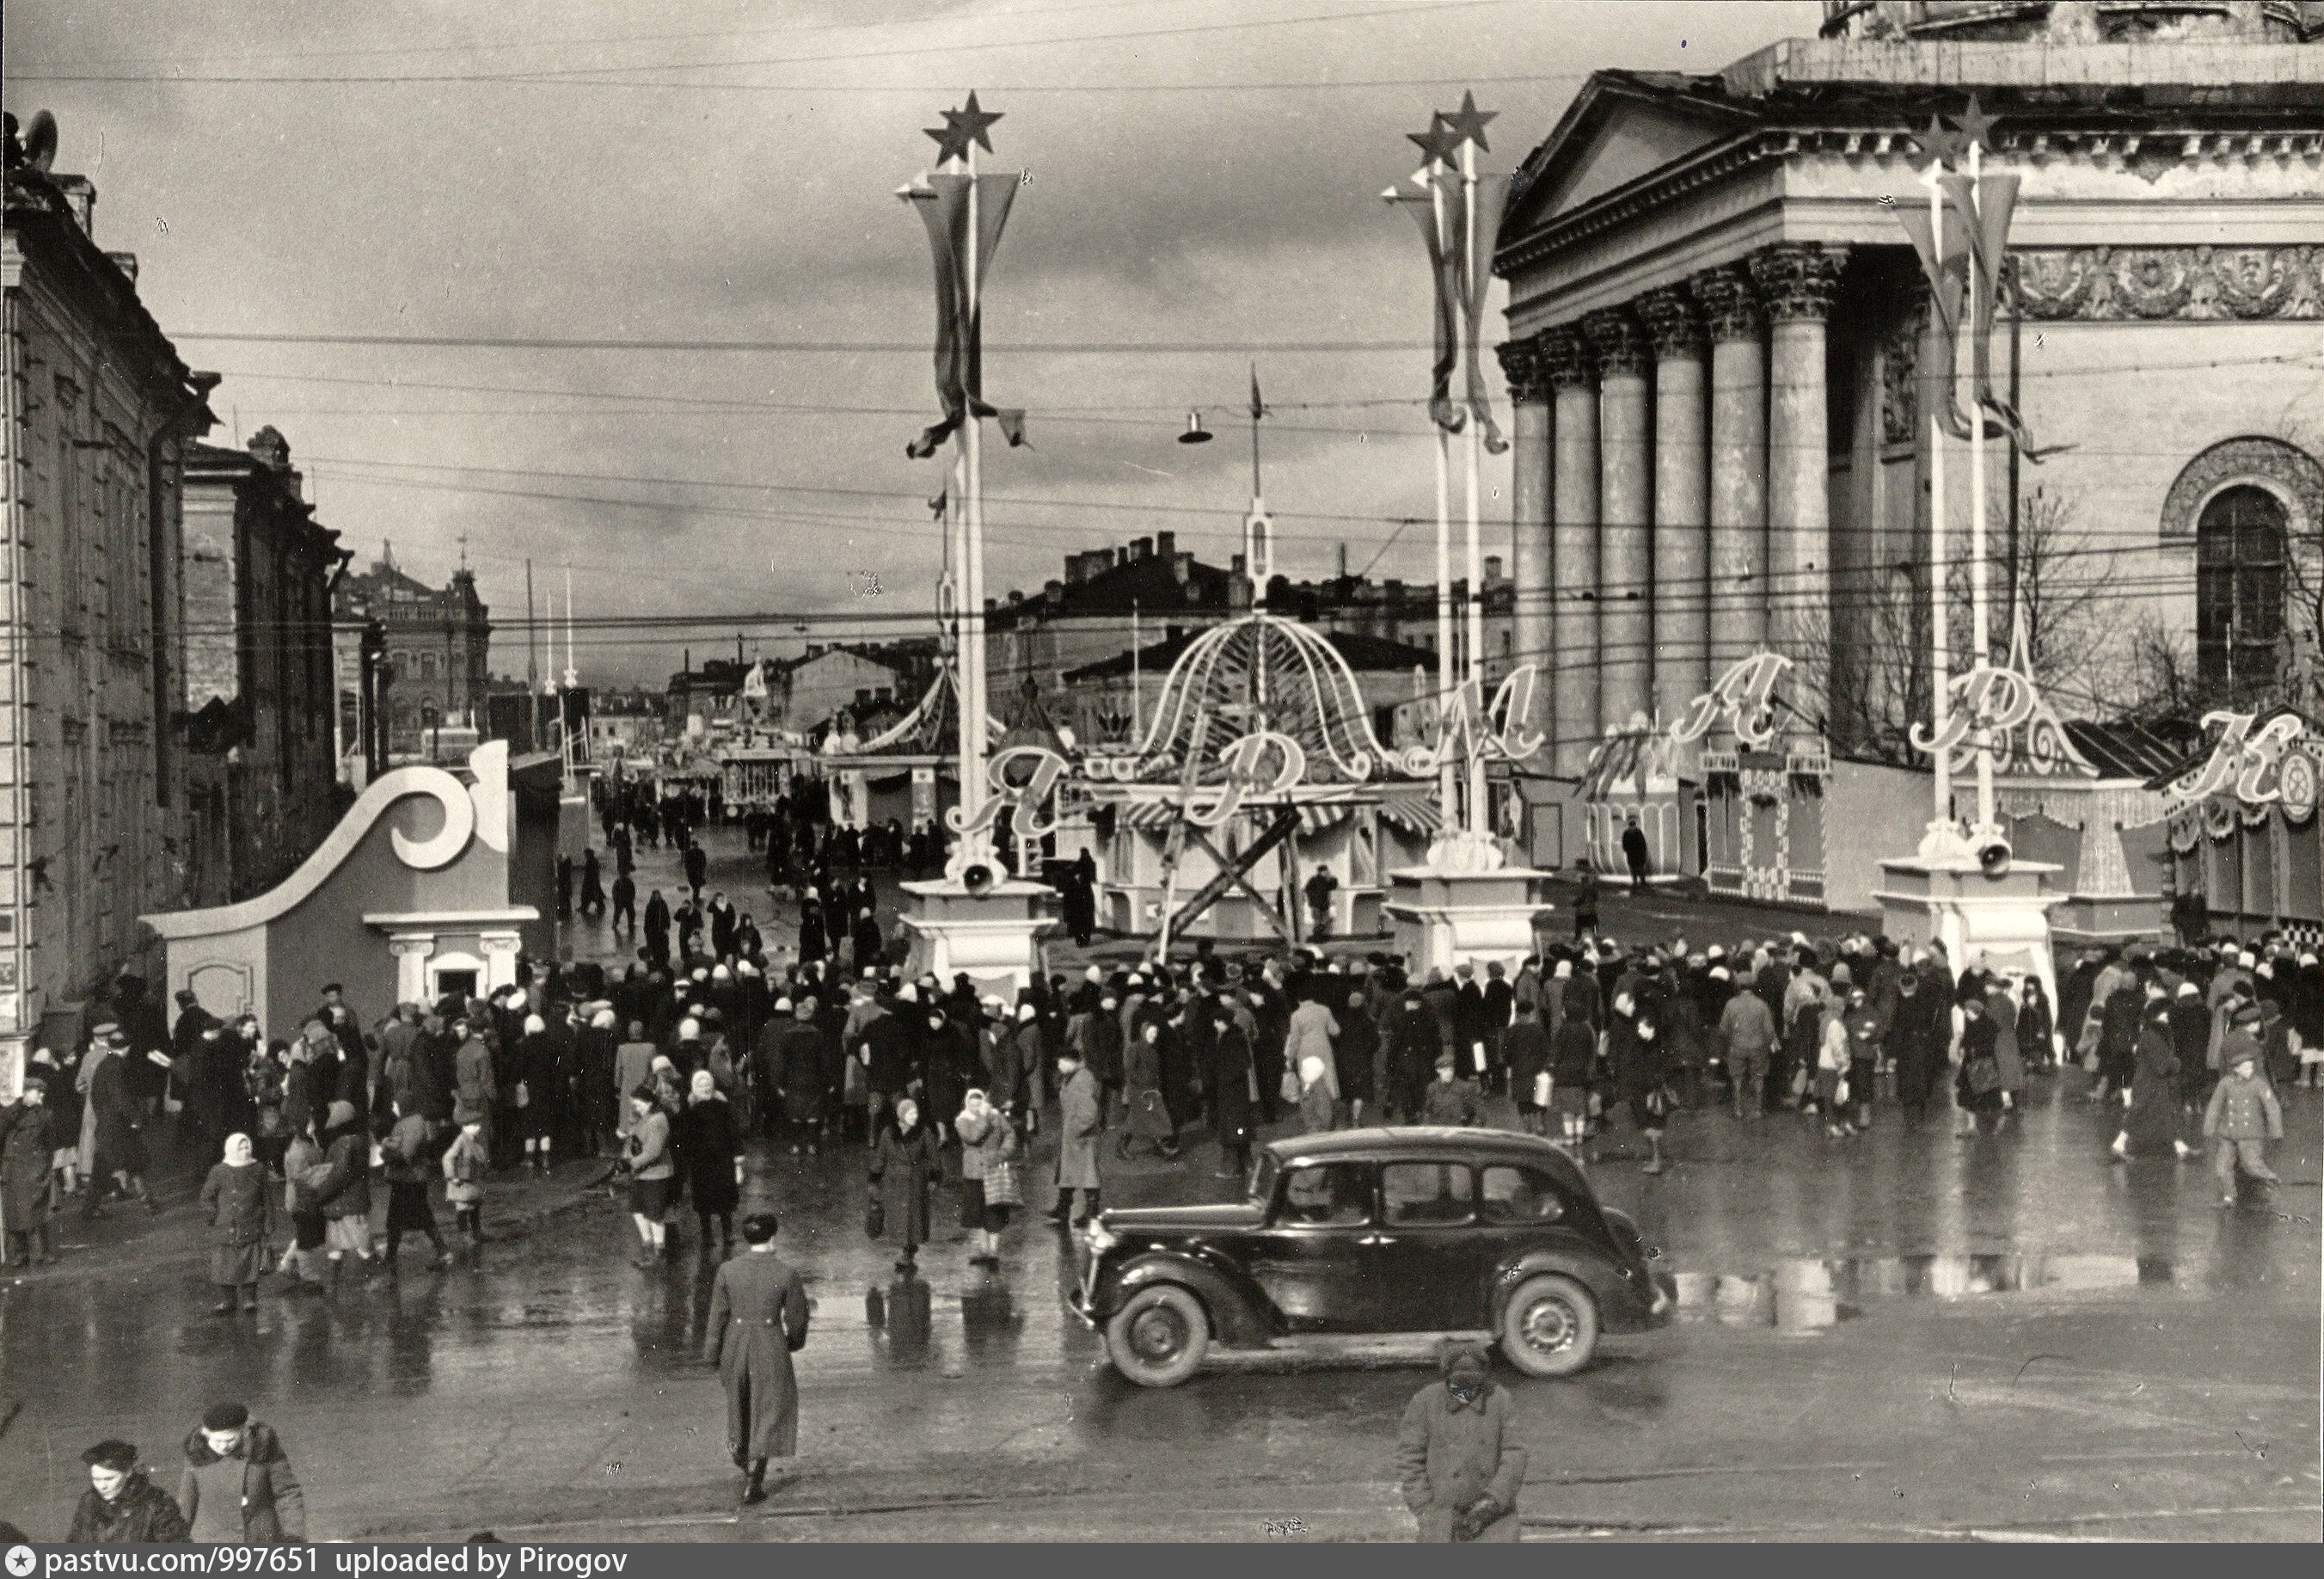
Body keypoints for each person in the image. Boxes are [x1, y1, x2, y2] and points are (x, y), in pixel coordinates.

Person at [703, 1212, 811, 1505]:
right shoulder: (786, 1273)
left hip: (735, 1345)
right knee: (769, 1409)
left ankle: (740, 1455)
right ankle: (755, 1478)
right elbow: (798, 1318)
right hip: (770, 1343)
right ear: (773, 1237)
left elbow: (717, 1316)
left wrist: (712, 1354)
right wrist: (793, 1342)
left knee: (739, 1405)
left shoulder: (728, 1270)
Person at [1394, 1342, 1525, 1542]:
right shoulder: (1425, 1402)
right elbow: (1409, 1459)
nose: (1465, 1394)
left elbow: (1515, 1455)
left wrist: (1493, 1502)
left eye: (1473, 1386)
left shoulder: (1500, 1400)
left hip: (1495, 1519)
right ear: (1446, 1378)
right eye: (1458, 1385)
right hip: (1440, 1517)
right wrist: (1425, 1509)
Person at [176, 1402, 305, 1544]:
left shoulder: (264, 1448)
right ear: (206, 1436)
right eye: (217, 1441)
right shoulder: (197, 1454)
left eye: (230, 1440)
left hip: (263, 1539)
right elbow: (185, 1505)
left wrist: (294, 1537)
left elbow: (287, 1493)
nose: (224, 1446)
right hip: (213, 1541)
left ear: (244, 1432)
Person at [197, 1133, 275, 1313]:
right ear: (231, 1148)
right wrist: (212, 1214)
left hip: (251, 1224)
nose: (245, 1150)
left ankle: (249, 1299)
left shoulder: (258, 1169)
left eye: (247, 1146)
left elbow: (267, 1198)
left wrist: (269, 1222)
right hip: (226, 1227)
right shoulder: (219, 1171)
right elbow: (206, 1197)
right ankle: (228, 1300)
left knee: (251, 1262)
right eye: (240, 1147)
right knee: (224, 1265)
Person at [2202, 1047, 2283, 1207]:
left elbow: (2272, 1106)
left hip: (2251, 1133)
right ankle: (2229, 1197)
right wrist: (2209, 1127)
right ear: (2236, 1069)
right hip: (2228, 1133)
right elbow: (2215, 1105)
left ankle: (2270, 1179)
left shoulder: (2258, 1084)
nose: (2250, 1070)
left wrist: (2276, 1131)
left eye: (2251, 1067)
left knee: (2251, 1165)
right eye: (2246, 1067)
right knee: (2222, 1168)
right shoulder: (2226, 1083)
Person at [68, 1441, 190, 1544]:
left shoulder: (156, 1502)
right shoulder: (89, 1502)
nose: (102, 1486)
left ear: (128, 1472)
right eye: (96, 1479)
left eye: (109, 1479)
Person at [868, 1097, 941, 1268]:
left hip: (916, 1182)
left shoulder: (924, 1132)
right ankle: (906, 1249)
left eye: (916, 1112)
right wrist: (874, 1178)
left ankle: (909, 1252)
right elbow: (881, 1157)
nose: (914, 1116)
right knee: (899, 1218)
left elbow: (934, 1157)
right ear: (901, 1115)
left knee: (913, 1219)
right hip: (895, 1182)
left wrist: (934, 1177)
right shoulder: (889, 1133)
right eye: (910, 1113)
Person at [680, 1069, 743, 1258]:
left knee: (725, 1196)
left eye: (707, 1083)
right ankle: (707, 1234)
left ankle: (727, 1232)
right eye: (701, 1084)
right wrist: (687, 1157)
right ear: (694, 1087)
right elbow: (686, 1136)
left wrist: (738, 1156)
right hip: (701, 1161)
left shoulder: (722, 1106)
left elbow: (733, 1132)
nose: (705, 1087)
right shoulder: (690, 1109)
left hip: (722, 1158)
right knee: (703, 1199)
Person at [954, 1088, 1021, 1268]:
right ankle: (984, 1250)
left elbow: (1010, 1134)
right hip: (974, 1173)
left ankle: (993, 1251)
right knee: (977, 1213)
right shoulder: (962, 1121)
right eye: (972, 1105)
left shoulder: (995, 1116)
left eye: (979, 1104)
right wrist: (983, 1117)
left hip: (993, 1169)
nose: (976, 1108)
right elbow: (973, 1137)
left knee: (994, 1211)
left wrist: (1003, 1153)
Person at [313, 1100, 377, 1282]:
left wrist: (320, 1195)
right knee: (347, 1246)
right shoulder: (358, 1140)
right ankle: (334, 1284)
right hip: (350, 1204)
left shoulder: (343, 1144)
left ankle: (382, 1280)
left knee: (358, 1247)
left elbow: (338, 1176)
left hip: (344, 1205)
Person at [380, 1105, 451, 1269]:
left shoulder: (409, 1124)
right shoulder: (413, 1122)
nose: (394, 1108)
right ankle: (391, 1256)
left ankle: (442, 1251)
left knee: (405, 1217)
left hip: (409, 1178)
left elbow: (406, 1153)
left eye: (396, 1104)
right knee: (410, 1216)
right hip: (411, 1178)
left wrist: (385, 1151)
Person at [2, 1076, 56, 1266]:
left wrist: (45, 1166)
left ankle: (39, 1252)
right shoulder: (10, 1113)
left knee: (37, 1211)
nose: (42, 1095)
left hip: (35, 1168)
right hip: (15, 1167)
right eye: (38, 1091)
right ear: (25, 1092)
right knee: (17, 1213)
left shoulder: (44, 1114)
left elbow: (50, 1143)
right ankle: (19, 1253)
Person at [1047, 1048, 1103, 1227]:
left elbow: (1089, 1113)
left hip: (1082, 1138)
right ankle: (1063, 1209)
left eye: (1062, 1061)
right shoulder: (1072, 1076)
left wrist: (1075, 1130)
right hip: (1074, 1136)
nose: (1059, 1065)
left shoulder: (1082, 1078)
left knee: (1088, 1176)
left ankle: (1091, 1213)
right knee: (1068, 1173)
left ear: (1072, 1062)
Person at [623, 1086, 676, 1267]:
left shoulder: (657, 1120)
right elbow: (632, 1143)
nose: (635, 1108)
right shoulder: (642, 1118)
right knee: (637, 1210)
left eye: (638, 1105)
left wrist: (631, 1163)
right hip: (640, 1175)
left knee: (654, 1214)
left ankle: (658, 1252)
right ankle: (648, 1247)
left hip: (656, 1175)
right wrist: (625, 1159)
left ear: (649, 1103)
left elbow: (654, 1151)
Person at [442, 1116, 488, 1255]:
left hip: (472, 1182)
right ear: (465, 1127)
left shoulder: (474, 1141)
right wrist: (452, 1177)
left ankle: (477, 1232)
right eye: (473, 1126)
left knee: (475, 1207)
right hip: (462, 1183)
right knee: (463, 1210)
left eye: (477, 1125)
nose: (477, 1128)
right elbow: (448, 1158)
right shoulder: (461, 1140)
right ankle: (465, 1236)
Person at [1421, 1052, 1481, 1127]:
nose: (1449, 1073)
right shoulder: (1432, 1088)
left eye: (1450, 1070)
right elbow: (1427, 1113)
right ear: (1438, 1071)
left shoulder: (1464, 1087)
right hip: (1438, 1133)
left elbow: (1479, 1114)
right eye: (1445, 1070)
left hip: (1457, 1133)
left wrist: (1470, 1132)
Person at [1303, 863, 1339, 943]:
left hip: (1324, 904)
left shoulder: (1327, 880)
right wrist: (1312, 899)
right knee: (1318, 922)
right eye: (1324, 871)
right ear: (1320, 872)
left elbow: (1334, 886)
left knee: (1324, 921)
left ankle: (1318, 937)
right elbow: (1307, 890)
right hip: (1316, 905)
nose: (1326, 872)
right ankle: (1317, 938)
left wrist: (1331, 877)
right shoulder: (1314, 880)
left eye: (1326, 871)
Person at [1621, 816, 1651, 894]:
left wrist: (1627, 849)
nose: (1632, 827)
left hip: (1633, 854)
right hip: (1638, 854)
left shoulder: (1627, 833)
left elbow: (1624, 844)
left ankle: (1637, 882)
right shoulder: (1638, 832)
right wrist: (1644, 852)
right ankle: (1641, 881)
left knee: (1635, 868)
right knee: (1638, 868)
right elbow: (1643, 844)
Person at [1572, 868, 1600, 940]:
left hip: (1581, 911)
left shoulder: (1581, 887)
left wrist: (1575, 903)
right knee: (1594, 923)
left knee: (1579, 926)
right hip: (1590, 909)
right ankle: (1595, 935)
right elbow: (1596, 897)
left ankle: (1577, 938)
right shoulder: (1592, 887)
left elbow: (1581, 898)